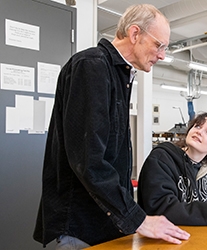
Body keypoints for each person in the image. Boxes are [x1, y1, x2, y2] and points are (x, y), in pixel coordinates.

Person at [33, 4, 190, 249]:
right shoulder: (92, 67)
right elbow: (89, 162)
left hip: (107, 224)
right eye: (159, 45)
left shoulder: (119, 76)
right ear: (135, 34)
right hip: (82, 227)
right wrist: (138, 219)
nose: (162, 55)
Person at [138, 112, 207, 225]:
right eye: (197, 126)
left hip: (197, 237)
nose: (199, 131)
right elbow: (160, 208)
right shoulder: (162, 159)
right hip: (162, 238)